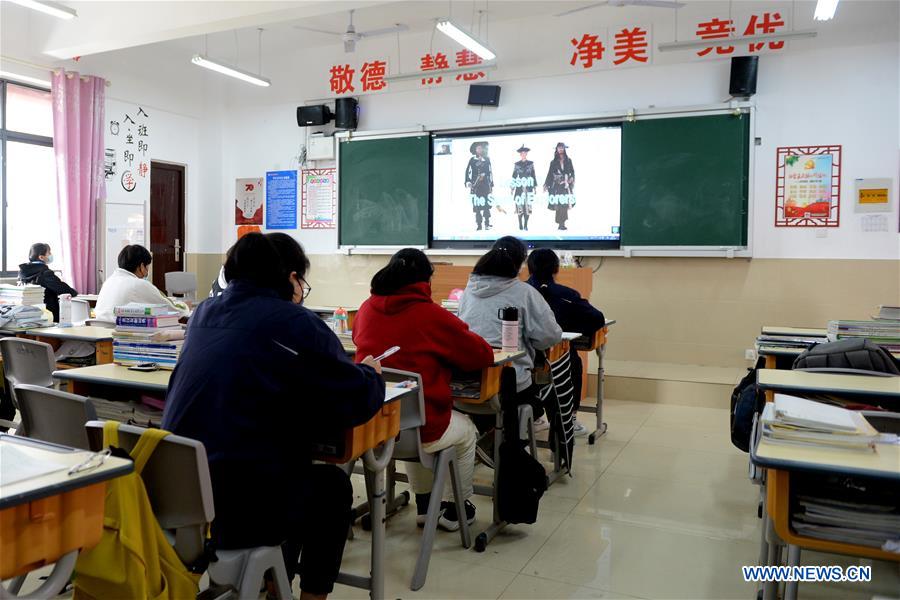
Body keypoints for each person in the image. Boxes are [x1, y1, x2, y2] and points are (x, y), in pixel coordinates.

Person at [162, 233, 385, 599]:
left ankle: (274, 582)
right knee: (330, 488)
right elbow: (354, 398)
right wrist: (372, 375)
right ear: (291, 277)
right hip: (238, 507)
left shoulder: (203, 312)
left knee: (286, 473)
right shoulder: (296, 322)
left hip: (180, 498)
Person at [353, 249, 495, 531]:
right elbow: (482, 355)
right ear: (425, 281)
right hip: (421, 429)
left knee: (409, 418)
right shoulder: (431, 315)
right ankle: (456, 508)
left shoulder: (366, 308)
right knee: (464, 431)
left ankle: (425, 504)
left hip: (373, 425)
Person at [458, 237, 562, 434]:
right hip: (508, 388)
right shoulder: (525, 292)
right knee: (546, 376)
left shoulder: (468, 291)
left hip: (465, 386)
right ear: (521, 263)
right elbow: (550, 336)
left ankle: (488, 436)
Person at [526, 248, 605, 436]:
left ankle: (534, 417)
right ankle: (569, 418)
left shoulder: (519, 292)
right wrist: (575, 328)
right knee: (573, 361)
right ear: (556, 269)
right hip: (556, 360)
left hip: (524, 359)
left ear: (529, 269)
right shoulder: (565, 294)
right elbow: (596, 318)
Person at [95, 245, 188, 321]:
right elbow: (173, 311)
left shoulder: (108, 282)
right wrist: (185, 306)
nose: (147, 271)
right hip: (123, 334)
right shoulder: (139, 284)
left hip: (100, 333)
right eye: (148, 267)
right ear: (142, 266)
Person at [17, 243, 77, 323]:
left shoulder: (22, 272)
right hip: (48, 313)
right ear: (41, 257)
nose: (51, 255)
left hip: (27, 313)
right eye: (49, 253)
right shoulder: (45, 273)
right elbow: (62, 289)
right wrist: (74, 292)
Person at [543, 142, 575, 230]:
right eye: (559, 148)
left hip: (566, 185)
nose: (560, 149)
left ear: (564, 149)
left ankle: (562, 223)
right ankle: (560, 223)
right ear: (556, 149)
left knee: (564, 204)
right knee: (558, 204)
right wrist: (546, 184)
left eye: (562, 147)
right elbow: (550, 174)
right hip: (557, 186)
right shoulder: (553, 162)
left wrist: (571, 178)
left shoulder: (568, 160)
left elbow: (572, 171)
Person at [465, 141, 493, 231]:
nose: (480, 149)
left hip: (485, 185)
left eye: (481, 148)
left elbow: (490, 172)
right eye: (478, 148)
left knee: (486, 205)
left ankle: (487, 223)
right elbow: (468, 171)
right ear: (475, 150)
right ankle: (479, 224)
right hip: (475, 185)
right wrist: (468, 181)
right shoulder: (472, 160)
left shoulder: (487, 159)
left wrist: (491, 184)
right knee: (477, 206)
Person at [511, 145, 537, 231]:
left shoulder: (531, 164)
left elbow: (533, 175)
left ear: (526, 154)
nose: (523, 154)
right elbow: (514, 176)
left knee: (527, 207)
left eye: (525, 153)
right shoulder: (517, 164)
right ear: (520, 154)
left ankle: (526, 224)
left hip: (528, 187)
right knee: (519, 206)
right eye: (522, 153)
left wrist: (535, 187)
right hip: (519, 187)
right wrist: (512, 187)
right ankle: (520, 224)